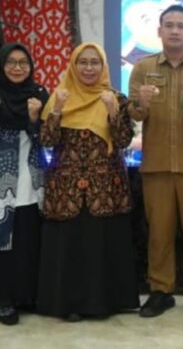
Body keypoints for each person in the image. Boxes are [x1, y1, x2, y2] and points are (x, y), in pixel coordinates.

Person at [37, 42, 138, 321]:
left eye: (95, 62)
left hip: (105, 187)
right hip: (65, 187)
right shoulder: (59, 96)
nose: (89, 68)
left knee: (100, 244)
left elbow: (123, 141)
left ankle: (102, 304)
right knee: (69, 246)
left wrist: (113, 112)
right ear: (73, 65)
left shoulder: (115, 97)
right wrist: (57, 109)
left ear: (103, 66)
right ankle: (68, 304)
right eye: (83, 62)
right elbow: (47, 140)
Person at [129, 4, 183, 319]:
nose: (175, 31)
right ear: (159, 31)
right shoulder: (143, 68)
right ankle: (160, 292)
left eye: (182, 26)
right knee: (159, 232)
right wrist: (140, 104)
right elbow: (133, 114)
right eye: (169, 25)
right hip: (157, 164)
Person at [0, 43, 48, 326]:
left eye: (23, 63)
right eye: (11, 62)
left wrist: (33, 120)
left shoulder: (39, 94)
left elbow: (49, 136)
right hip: (2, 177)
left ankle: (27, 295)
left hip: (32, 176)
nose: (17, 68)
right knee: (3, 240)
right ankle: (4, 299)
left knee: (28, 236)